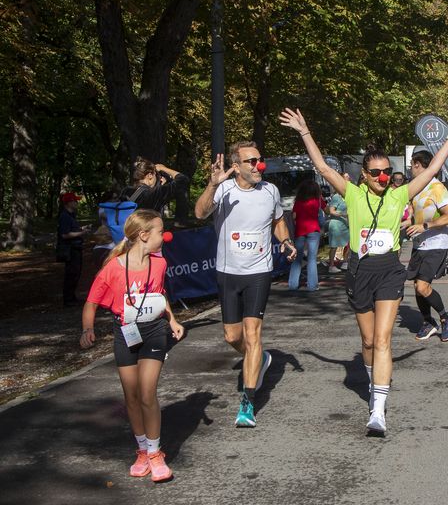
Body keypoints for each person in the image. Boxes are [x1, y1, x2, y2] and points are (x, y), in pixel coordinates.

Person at [279, 107, 448, 435]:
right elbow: (323, 167)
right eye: (376, 173)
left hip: (389, 271)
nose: (384, 177)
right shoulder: (352, 195)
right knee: (368, 340)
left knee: (383, 340)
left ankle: (378, 410)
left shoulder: (400, 194)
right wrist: (304, 131)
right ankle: (374, 382)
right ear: (364, 175)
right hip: (359, 272)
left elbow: (432, 170)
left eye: (387, 171)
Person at [194, 142, 298, 428]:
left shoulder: (270, 191)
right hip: (228, 273)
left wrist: (286, 241)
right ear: (236, 166)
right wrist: (212, 185)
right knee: (232, 336)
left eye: (259, 160)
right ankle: (261, 357)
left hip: (258, 273)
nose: (258, 165)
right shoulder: (225, 190)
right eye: (251, 161)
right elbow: (200, 213)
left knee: (253, 334)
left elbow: (277, 221)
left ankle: (248, 402)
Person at [80, 209, 185, 483]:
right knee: (131, 396)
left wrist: (173, 320)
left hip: (153, 332)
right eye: (161, 232)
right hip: (125, 332)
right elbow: (91, 302)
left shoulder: (159, 264)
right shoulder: (112, 269)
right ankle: (141, 450)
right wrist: (87, 329)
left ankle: (155, 453)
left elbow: (159, 295)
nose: (165, 236)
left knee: (147, 392)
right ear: (144, 235)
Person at [405, 150, 448, 342]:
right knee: (417, 285)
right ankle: (428, 322)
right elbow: (414, 216)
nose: (410, 169)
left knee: (423, 286)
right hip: (420, 244)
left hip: (436, 243)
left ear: (418, 164)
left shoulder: (437, 187)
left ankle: (445, 317)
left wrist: (425, 226)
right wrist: (404, 224)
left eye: (412, 165)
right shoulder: (416, 188)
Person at [289, 179, 325, 291]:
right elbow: (326, 210)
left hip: (300, 230)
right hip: (314, 230)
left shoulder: (298, 201)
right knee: (312, 259)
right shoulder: (318, 200)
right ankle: (312, 286)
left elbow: (293, 216)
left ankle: (293, 285)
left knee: (297, 258)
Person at [121, 158, 191, 214]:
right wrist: (163, 168)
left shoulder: (126, 191)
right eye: (156, 175)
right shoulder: (154, 193)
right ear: (150, 175)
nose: (158, 178)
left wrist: (160, 187)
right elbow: (183, 180)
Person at [57, 192, 90, 306]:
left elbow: (72, 229)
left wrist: (81, 228)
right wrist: (81, 233)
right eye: (74, 201)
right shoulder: (64, 216)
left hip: (76, 248)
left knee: (76, 273)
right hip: (70, 249)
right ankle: (68, 299)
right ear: (69, 203)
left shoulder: (71, 215)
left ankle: (72, 296)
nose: (76, 203)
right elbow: (65, 234)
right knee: (71, 273)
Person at [325, 190, 350, 273]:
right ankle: (331, 266)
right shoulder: (336, 197)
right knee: (334, 246)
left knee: (348, 243)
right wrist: (343, 214)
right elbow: (332, 211)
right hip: (336, 224)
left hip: (344, 224)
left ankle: (345, 262)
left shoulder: (346, 197)